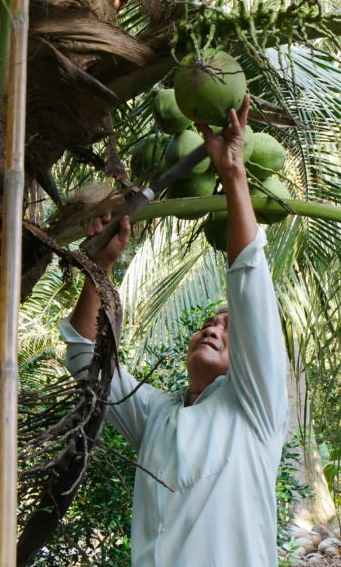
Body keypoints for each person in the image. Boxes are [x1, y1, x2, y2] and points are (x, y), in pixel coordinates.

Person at [62, 95, 289, 566]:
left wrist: (233, 176)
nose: (214, 328)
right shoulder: (158, 417)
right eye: (208, 323)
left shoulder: (255, 408)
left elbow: (249, 281)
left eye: (228, 329)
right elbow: (85, 354)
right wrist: (98, 267)